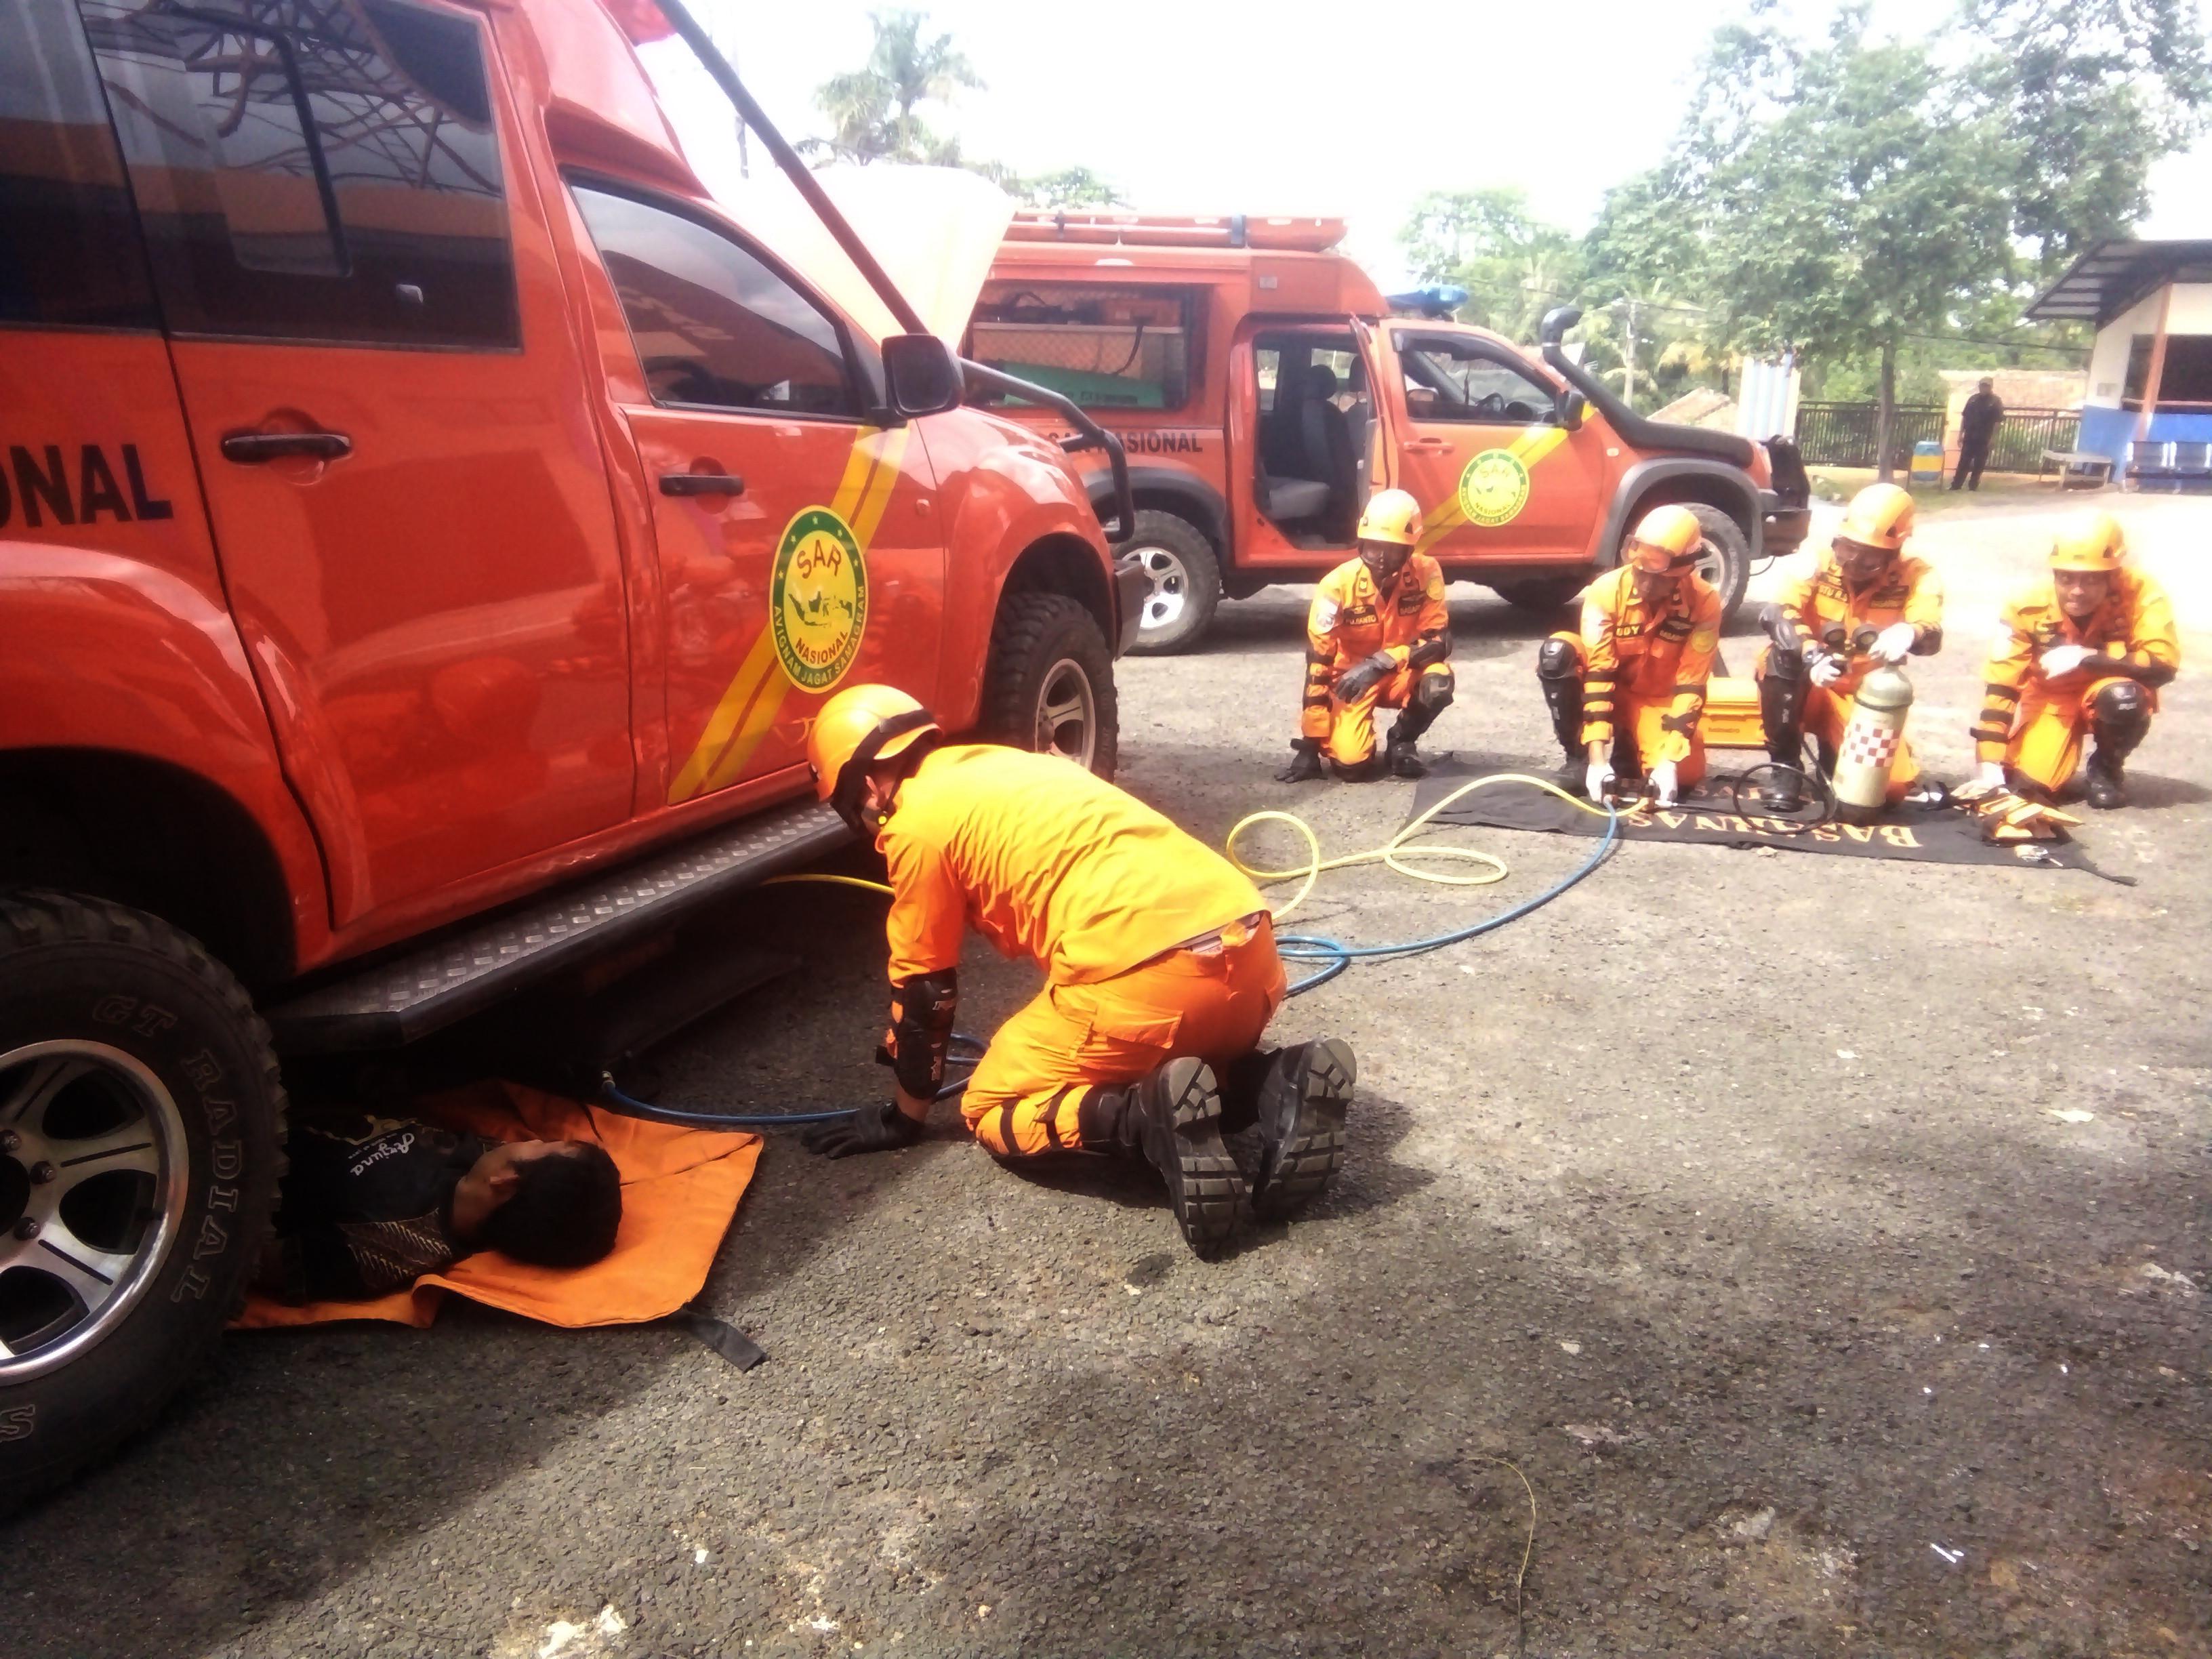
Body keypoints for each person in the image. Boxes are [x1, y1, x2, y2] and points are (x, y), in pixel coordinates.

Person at [802, 685, 1355, 1258]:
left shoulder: (914, 825)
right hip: (1253, 960)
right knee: (1157, 1045)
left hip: (1150, 986)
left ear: (867, 785)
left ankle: (1145, 1119)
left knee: (988, 1107)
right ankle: (1276, 1082)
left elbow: (925, 992)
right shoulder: (1009, 765)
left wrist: (903, 1117)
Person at [258, 1113, 622, 1303]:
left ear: (505, 1182)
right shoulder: (481, 1159)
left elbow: (244, 1261)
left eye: (538, 1144)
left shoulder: (383, 1244)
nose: (527, 1139)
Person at [1970, 510, 2179, 809]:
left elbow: (2163, 665)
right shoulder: (2025, 608)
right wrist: (1989, 759)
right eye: (2067, 578)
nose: (2077, 592)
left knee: (2124, 698)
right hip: (2053, 696)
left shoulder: (2143, 594)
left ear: (2113, 575)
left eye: (2092, 580)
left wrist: (2091, 658)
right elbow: (2001, 686)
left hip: (2110, 687)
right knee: (2031, 787)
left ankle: (2107, 767)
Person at [1755, 481, 1945, 806]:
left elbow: (1931, 630)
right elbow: (1776, 612)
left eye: (1869, 561)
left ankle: (1834, 753)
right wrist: (1811, 654)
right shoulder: (1815, 560)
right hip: (1808, 681)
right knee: (1778, 657)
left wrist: (1911, 633)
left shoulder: (1917, 575)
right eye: (1847, 552)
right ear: (1838, 540)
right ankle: (1784, 765)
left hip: (1862, 695)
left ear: (1894, 553)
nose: (1853, 566)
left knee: (1890, 790)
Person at [1536, 504, 1722, 807]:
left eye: (1658, 577)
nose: (1645, 584)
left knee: (1687, 774)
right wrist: (1598, 759)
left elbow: (1692, 685)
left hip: (1656, 699)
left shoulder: (1705, 602)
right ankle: (1579, 759)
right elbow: (1598, 673)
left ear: (1684, 570)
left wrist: (1670, 762)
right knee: (1559, 652)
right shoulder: (1606, 591)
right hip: (1612, 691)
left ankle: (1632, 747)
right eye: (1639, 571)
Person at [1278, 487, 1454, 782]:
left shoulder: (1427, 572)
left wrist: (1381, 663)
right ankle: (1350, 742)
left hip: (1400, 672)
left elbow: (1439, 642)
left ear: (1410, 549)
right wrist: (1310, 744)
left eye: (1394, 549)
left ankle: (1402, 741)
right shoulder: (1336, 585)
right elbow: (1319, 665)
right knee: (1351, 767)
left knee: (1438, 682)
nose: (1382, 558)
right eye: (1374, 547)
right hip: (1351, 681)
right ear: (1361, 542)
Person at [1952, 378, 2003, 492]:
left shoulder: (1995, 402)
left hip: (1984, 437)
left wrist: (1993, 438)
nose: (1984, 388)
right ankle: (1956, 484)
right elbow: (1964, 418)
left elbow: (1998, 422)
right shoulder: (1972, 400)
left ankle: (1973, 485)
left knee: (1979, 463)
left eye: (1987, 386)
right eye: (1982, 386)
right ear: (1979, 386)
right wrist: (1960, 434)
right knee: (1964, 461)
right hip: (1970, 435)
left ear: (1991, 387)